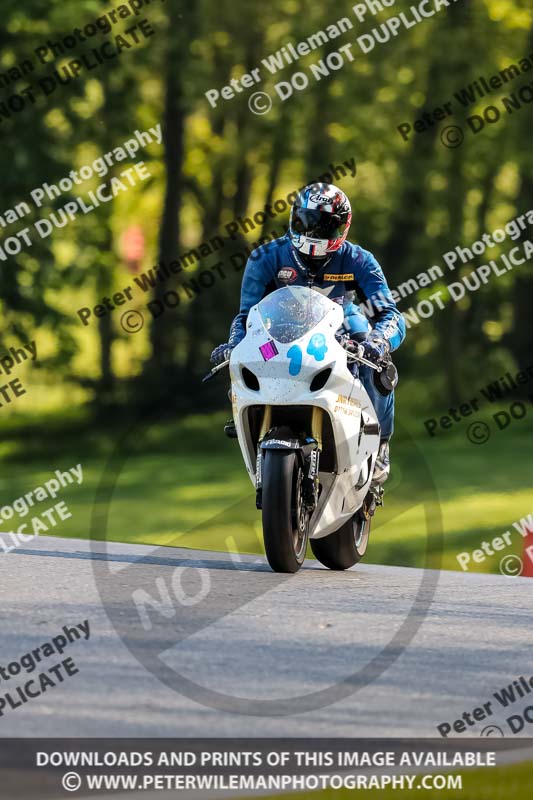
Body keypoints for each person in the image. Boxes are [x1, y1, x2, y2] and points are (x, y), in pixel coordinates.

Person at [210, 183, 406, 484]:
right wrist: (234, 345)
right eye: (306, 222)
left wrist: (379, 342)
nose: (313, 233)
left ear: (343, 227)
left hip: (342, 324)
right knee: (242, 358)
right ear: (292, 219)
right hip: (279, 332)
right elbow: (246, 315)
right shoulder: (265, 258)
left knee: (378, 364)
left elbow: (390, 314)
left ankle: (380, 443)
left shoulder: (360, 260)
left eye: (324, 225)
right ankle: (249, 417)